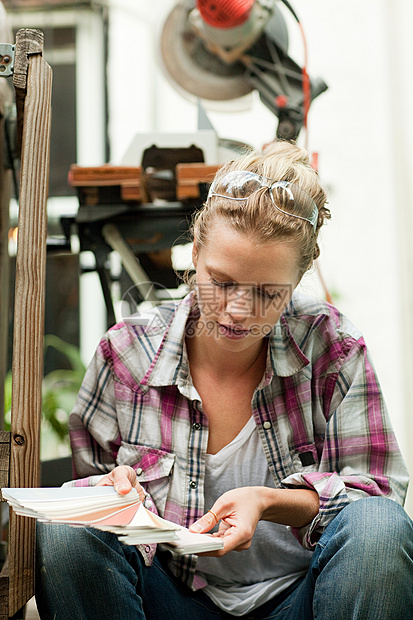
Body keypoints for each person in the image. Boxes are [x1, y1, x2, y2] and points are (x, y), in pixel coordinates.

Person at [35, 141, 413, 619]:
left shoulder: (332, 349)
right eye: (222, 281)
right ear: (194, 253)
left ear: (296, 283)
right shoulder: (127, 355)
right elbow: (92, 527)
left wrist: (272, 501)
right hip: (171, 601)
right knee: (70, 527)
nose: (238, 310)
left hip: (305, 600)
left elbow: (376, 497)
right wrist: (113, 491)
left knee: (378, 529)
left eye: (267, 293)